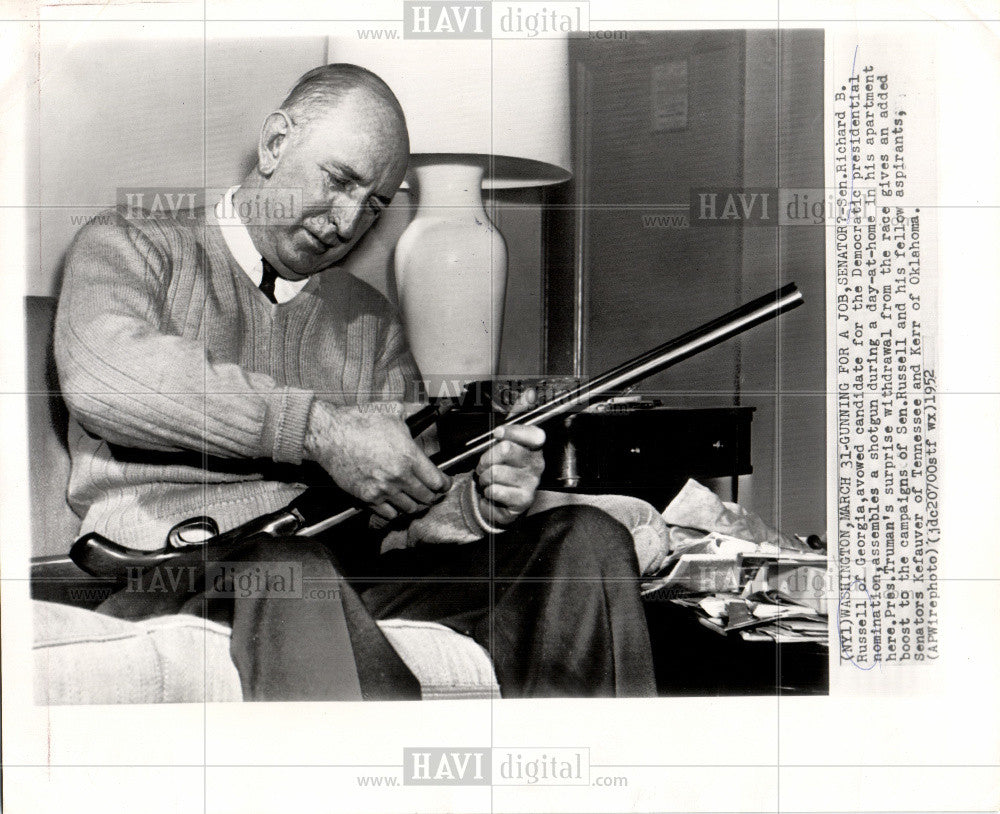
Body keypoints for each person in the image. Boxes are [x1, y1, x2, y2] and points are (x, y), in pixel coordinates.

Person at [54, 64, 655, 700]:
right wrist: (321, 431)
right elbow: (104, 377)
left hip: (341, 579)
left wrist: (476, 503)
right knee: (290, 570)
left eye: (372, 205)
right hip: (175, 573)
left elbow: (403, 511)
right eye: (339, 180)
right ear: (275, 143)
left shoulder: (368, 317)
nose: (346, 224)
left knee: (585, 542)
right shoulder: (131, 244)